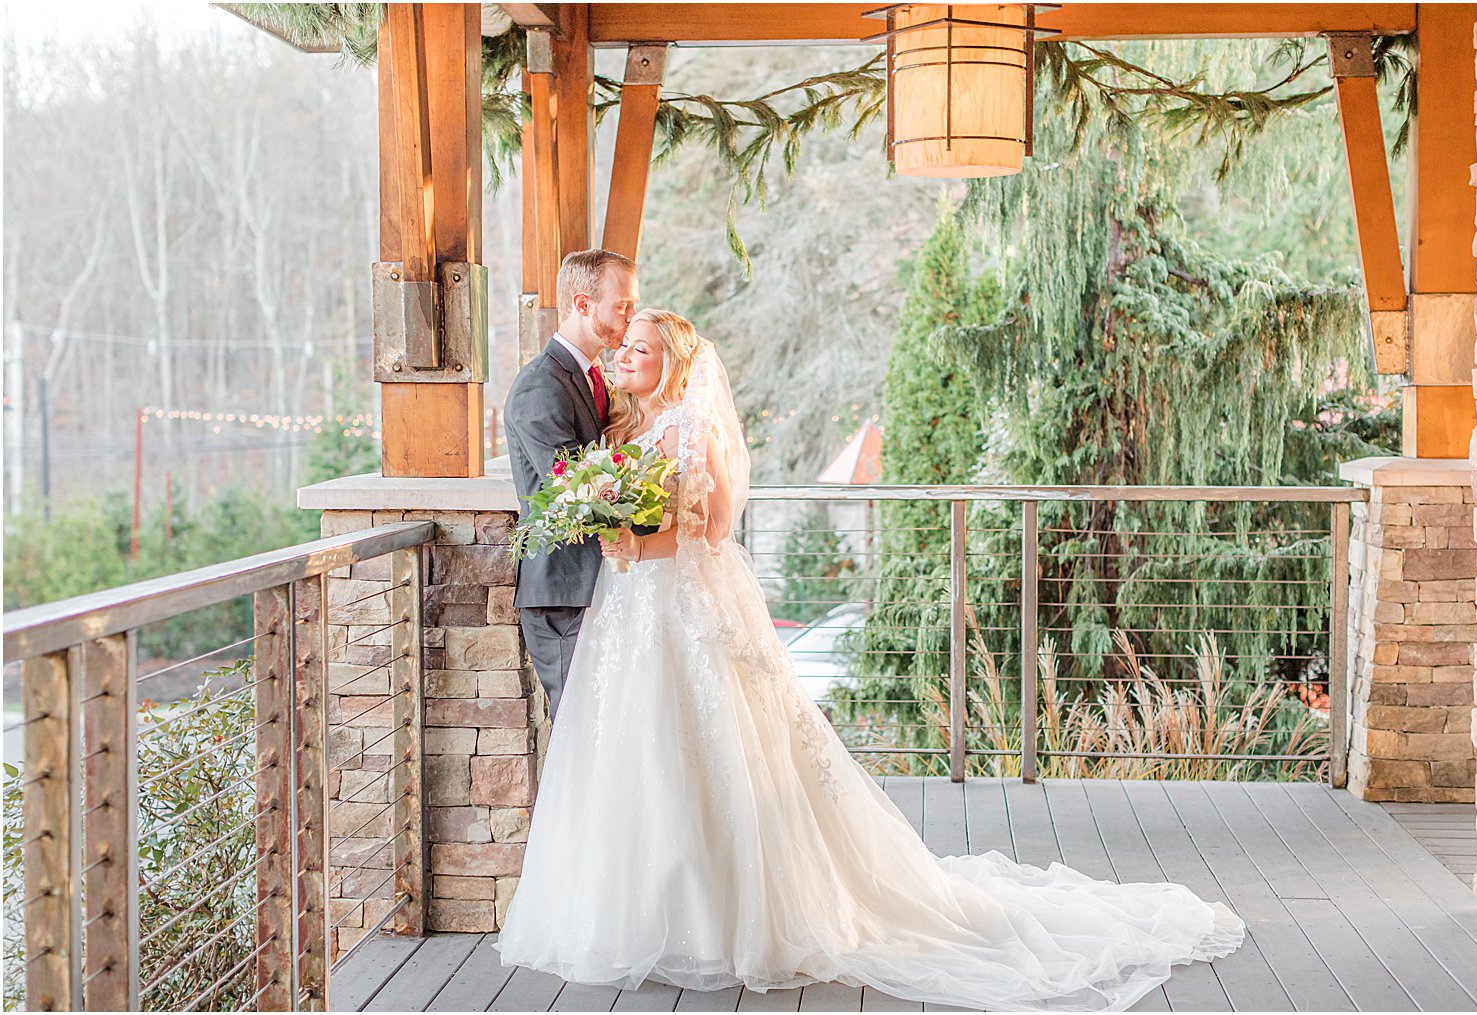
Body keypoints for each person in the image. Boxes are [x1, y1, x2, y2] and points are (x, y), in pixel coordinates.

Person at [494, 309, 1246, 1011]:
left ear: (675, 364)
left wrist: (634, 542)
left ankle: (728, 915)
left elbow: (713, 527)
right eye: (625, 347)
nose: (627, 353)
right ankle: (639, 911)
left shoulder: (692, 428)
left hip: (684, 605)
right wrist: (617, 528)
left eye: (642, 349)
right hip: (632, 610)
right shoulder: (635, 423)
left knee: (712, 749)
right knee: (641, 754)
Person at [503, 248, 640, 720]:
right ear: (583, 305)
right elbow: (576, 489)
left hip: (601, 583)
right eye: (622, 304)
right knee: (582, 731)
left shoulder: (594, 377)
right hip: (564, 595)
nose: (631, 315)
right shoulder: (540, 386)